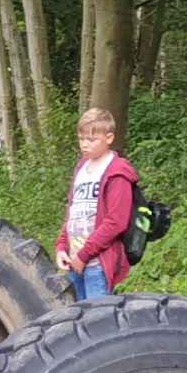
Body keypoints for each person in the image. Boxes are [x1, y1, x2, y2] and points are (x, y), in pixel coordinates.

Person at [54, 108, 139, 301]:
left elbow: (116, 222)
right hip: (74, 261)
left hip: (97, 264)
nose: (85, 145)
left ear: (109, 138)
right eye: (81, 138)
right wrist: (61, 247)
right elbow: (72, 210)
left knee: (98, 322)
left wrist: (84, 255)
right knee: (77, 320)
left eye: (91, 140)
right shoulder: (82, 167)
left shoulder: (117, 171)